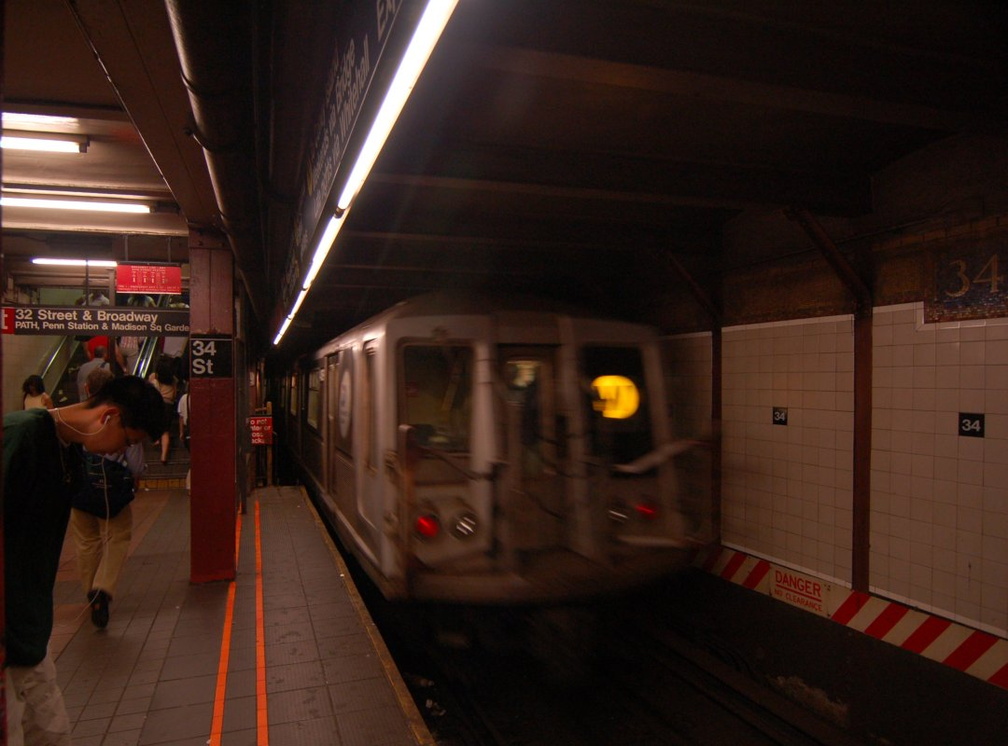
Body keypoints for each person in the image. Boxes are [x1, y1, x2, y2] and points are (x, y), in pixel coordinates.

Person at [3, 375, 166, 745]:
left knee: (52, 733)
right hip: (7, 637)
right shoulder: (20, 435)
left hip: (29, 634)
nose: (118, 451)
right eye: (127, 441)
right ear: (109, 416)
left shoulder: (71, 456)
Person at [70, 367, 145, 629]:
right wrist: (135, 479)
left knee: (86, 541)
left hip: (81, 488)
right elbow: (134, 461)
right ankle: (103, 587)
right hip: (113, 489)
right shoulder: (122, 416)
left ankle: (93, 596)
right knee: (118, 535)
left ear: (87, 389)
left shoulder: (76, 414)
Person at [148, 355, 178, 464]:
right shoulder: (173, 379)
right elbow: (174, 394)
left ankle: (155, 440)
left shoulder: (154, 376)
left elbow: (149, 389)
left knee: (156, 424)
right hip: (169, 405)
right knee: (165, 431)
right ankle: (164, 456)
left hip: (158, 402)